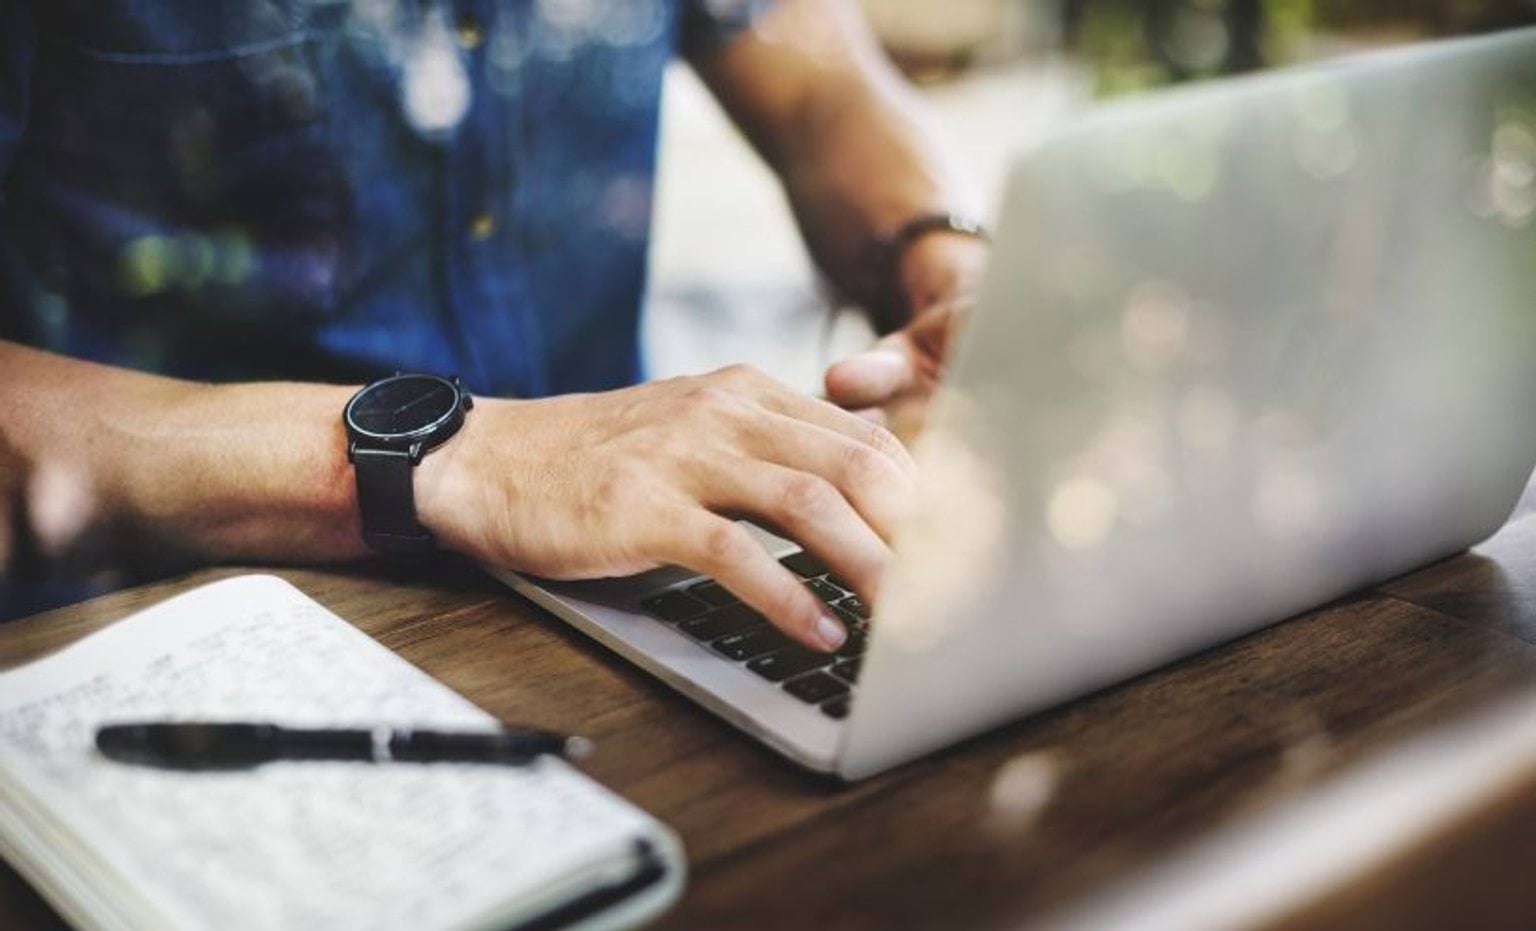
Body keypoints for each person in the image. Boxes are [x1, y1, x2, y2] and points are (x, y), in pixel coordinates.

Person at [0, 0, 988, 649]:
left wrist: (940, 258)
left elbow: (820, 83)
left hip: (626, 586)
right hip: (156, 633)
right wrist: (447, 457)